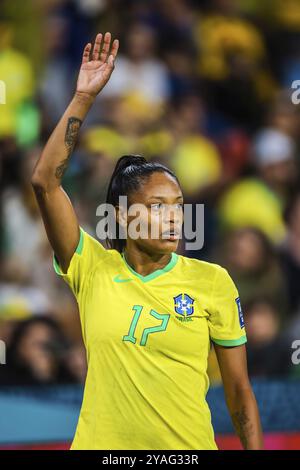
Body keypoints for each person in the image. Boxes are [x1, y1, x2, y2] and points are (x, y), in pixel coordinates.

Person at [31, 32, 263, 450]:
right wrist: (84, 97)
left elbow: (239, 391)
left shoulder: (213, 282)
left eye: (177, 205)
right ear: (122, 215)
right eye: (157, 206)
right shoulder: (91, 268)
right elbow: (45, 184)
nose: (173, 216)